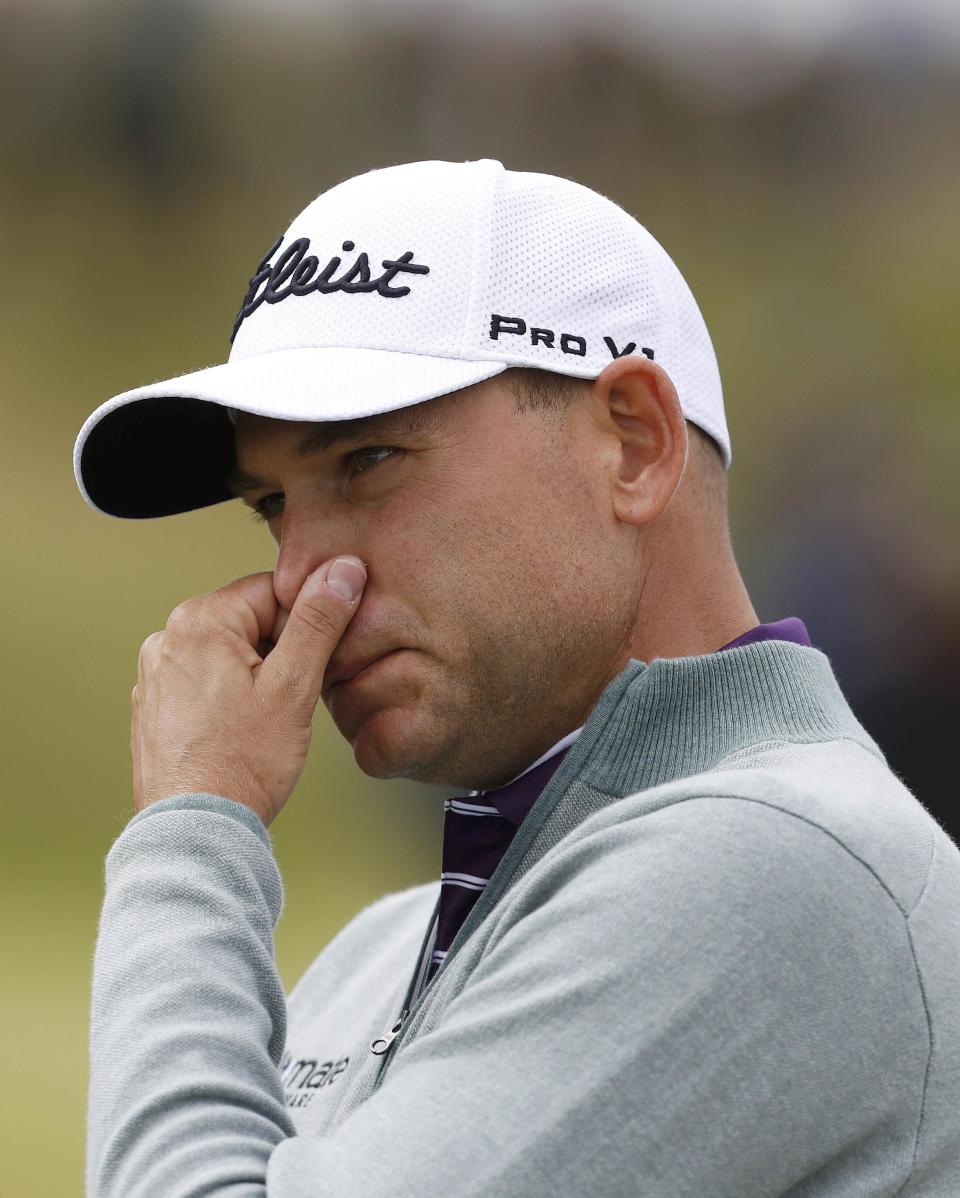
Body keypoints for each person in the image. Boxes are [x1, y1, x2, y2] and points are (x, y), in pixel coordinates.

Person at [74, 159, 960, 1197]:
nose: (299, 575)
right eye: (272, 504)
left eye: (367, 461)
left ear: (632, 441)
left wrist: (192, 831)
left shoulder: (785, 864)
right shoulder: (382, 950)